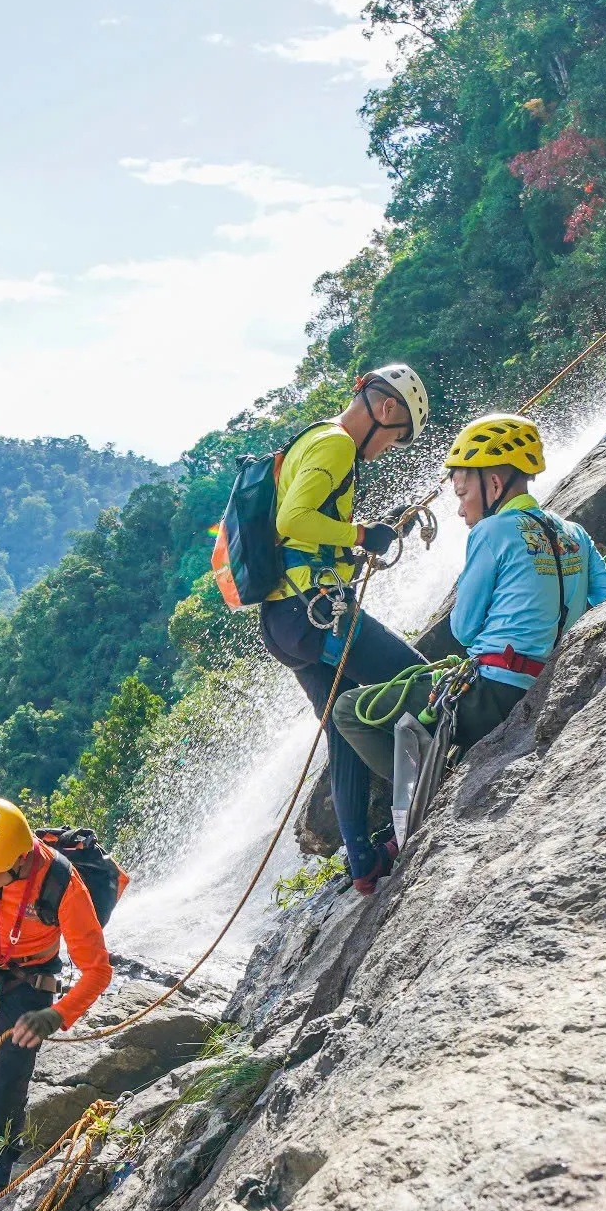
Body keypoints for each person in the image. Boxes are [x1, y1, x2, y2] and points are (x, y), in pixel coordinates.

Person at [331, 414, 606, 830]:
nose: (461, 508)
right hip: (547, 680)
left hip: (490, 695)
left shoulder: (491, 531)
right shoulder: (574, 532)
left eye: (463, 493)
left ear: (494, 485)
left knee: (349, 709)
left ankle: (432, 793)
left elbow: (464, 628)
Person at [259, 363, 435, 892]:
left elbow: (302, 538)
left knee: (341, 725)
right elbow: (294, 520)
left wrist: (370, 537)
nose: (390, 449)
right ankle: (431, 793)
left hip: (284, 622)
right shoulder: (336, 445)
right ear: (385, 411)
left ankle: (361, 864)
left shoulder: (311, 438)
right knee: (420, 679)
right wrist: (361, 532)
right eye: (397, 438)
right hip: (316, 614)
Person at [0, 797, 112, 1205]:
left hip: (28, 975)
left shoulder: (62, 886)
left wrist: (55, 1014)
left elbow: (97, 970)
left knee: (8, 1070)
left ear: (22, 860)